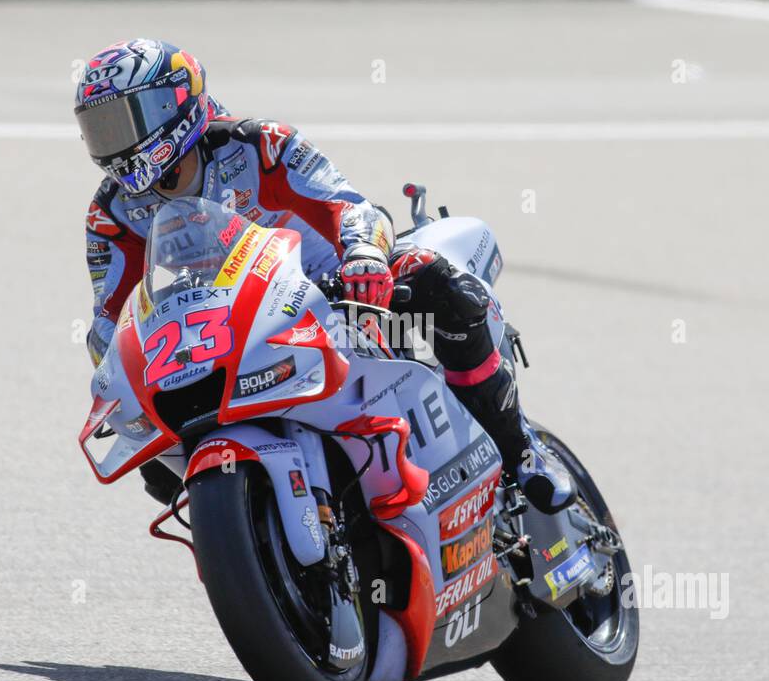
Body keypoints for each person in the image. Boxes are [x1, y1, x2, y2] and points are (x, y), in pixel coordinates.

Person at [74, 39, 573, 513]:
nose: (113, 146)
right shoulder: (112, 214)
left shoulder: (258, 145)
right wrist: (112, 367)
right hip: (229, 332)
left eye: (121, 122)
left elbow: (349, 205)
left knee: (441, 286)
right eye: (99, 130)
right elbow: (111, 318)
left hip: (337, 297)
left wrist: (363, 257)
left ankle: (520, 453)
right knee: (158, 466)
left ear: (173, 106)